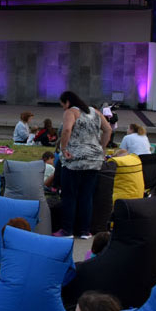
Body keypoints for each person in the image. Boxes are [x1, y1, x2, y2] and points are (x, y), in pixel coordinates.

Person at [55, 90, 112, 239]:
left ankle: (67, 230)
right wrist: (101, 148)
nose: (63, 108)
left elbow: (67, 130)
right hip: (94, 159)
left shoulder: (71, 112)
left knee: (69, 195)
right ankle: (84, 231)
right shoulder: (95, 112)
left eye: (62, 105)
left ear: (67, 102)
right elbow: (108, 130)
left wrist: (63, 148)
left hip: (75, 159)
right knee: (87, 196)